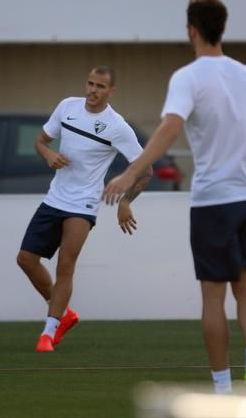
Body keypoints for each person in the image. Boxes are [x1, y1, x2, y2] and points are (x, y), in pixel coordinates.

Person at [102, 0, 246, 394]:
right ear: (223, 28)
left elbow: (171, 127)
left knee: (212, 296)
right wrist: (244, 150)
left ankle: (222, 388)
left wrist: (130, 171)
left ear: (191, 30)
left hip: (214, 200)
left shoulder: (187, 77)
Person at [16, 66, 152, 353]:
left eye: (100, 86)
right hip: (55, 198)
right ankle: (64, 313)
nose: (92, 90)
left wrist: (125, 202)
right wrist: (49, 154)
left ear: (111, 91)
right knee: (26, 259)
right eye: (90, 83)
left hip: (84, 203)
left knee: (66, 264)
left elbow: (145, 169)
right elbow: (41, 141)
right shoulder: (67, 107)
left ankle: (48, 332)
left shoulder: (117, 126)